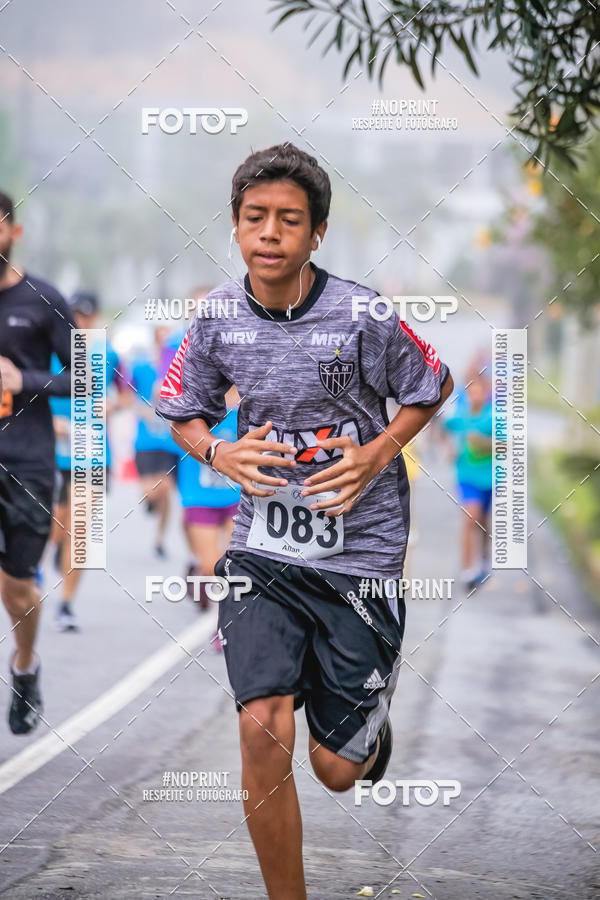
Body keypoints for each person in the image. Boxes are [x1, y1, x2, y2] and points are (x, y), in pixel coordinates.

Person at [156, 144, 453, 899]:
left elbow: (433, 383)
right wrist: (219, 453)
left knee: (335, 770)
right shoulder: (218, 318)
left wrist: (377, 453)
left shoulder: (364, 314)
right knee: (261, 726)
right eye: (255, 217)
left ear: (317, 233)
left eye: (290, 220)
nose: (270, 233)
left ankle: (361, 732)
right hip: (264, 551)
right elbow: (180, 408)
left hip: (360, 559)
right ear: (234, 225)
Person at [0, 190, 76, 733]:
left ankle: (25, 665)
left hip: (26, 463)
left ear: (13, 232)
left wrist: (24, 380)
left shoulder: (42, 299)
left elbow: (90, 379)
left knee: (17, 585)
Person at [49, 291, 128, 631]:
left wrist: (110, 406)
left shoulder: (107, 353)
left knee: (80, 528)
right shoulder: (49, 348)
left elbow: (127, 396)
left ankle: (66, 604)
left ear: (95, 318)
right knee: (55, 526)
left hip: (93, 452)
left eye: (85, 316)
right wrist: (51, 423)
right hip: (50, 452)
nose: (79, 322)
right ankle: (53, 549)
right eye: (74, 315)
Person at [177, 386, 240, 634]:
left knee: (234, 562)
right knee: (210, 565)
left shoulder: (250, 395)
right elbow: (176, 436)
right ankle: (197, 567)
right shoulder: (195, 397)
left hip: (237, 494)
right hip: (199, 494)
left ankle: (222, 624)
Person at [130, 326, 180, 558]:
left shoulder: (179, 368)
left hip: (170, 442)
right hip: (147, 440)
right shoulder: (142, 366)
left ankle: (160, 539)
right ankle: (150, 501)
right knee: (151, 492)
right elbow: (127, 397)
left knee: (167, 490)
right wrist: (144, 410)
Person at [443, 372, 493, 590]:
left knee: (483, 521)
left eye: (479, 391)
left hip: (489, 477)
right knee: (470, 518)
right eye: (471, 392)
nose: (475, 396)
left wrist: (485, 444)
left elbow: (510, 445)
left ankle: (482, 561)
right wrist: (450, 448)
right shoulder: (460, 417)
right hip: (466, 476)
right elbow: (444, 429)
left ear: (486, 393)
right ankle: (467, 570)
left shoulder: (493, 417)